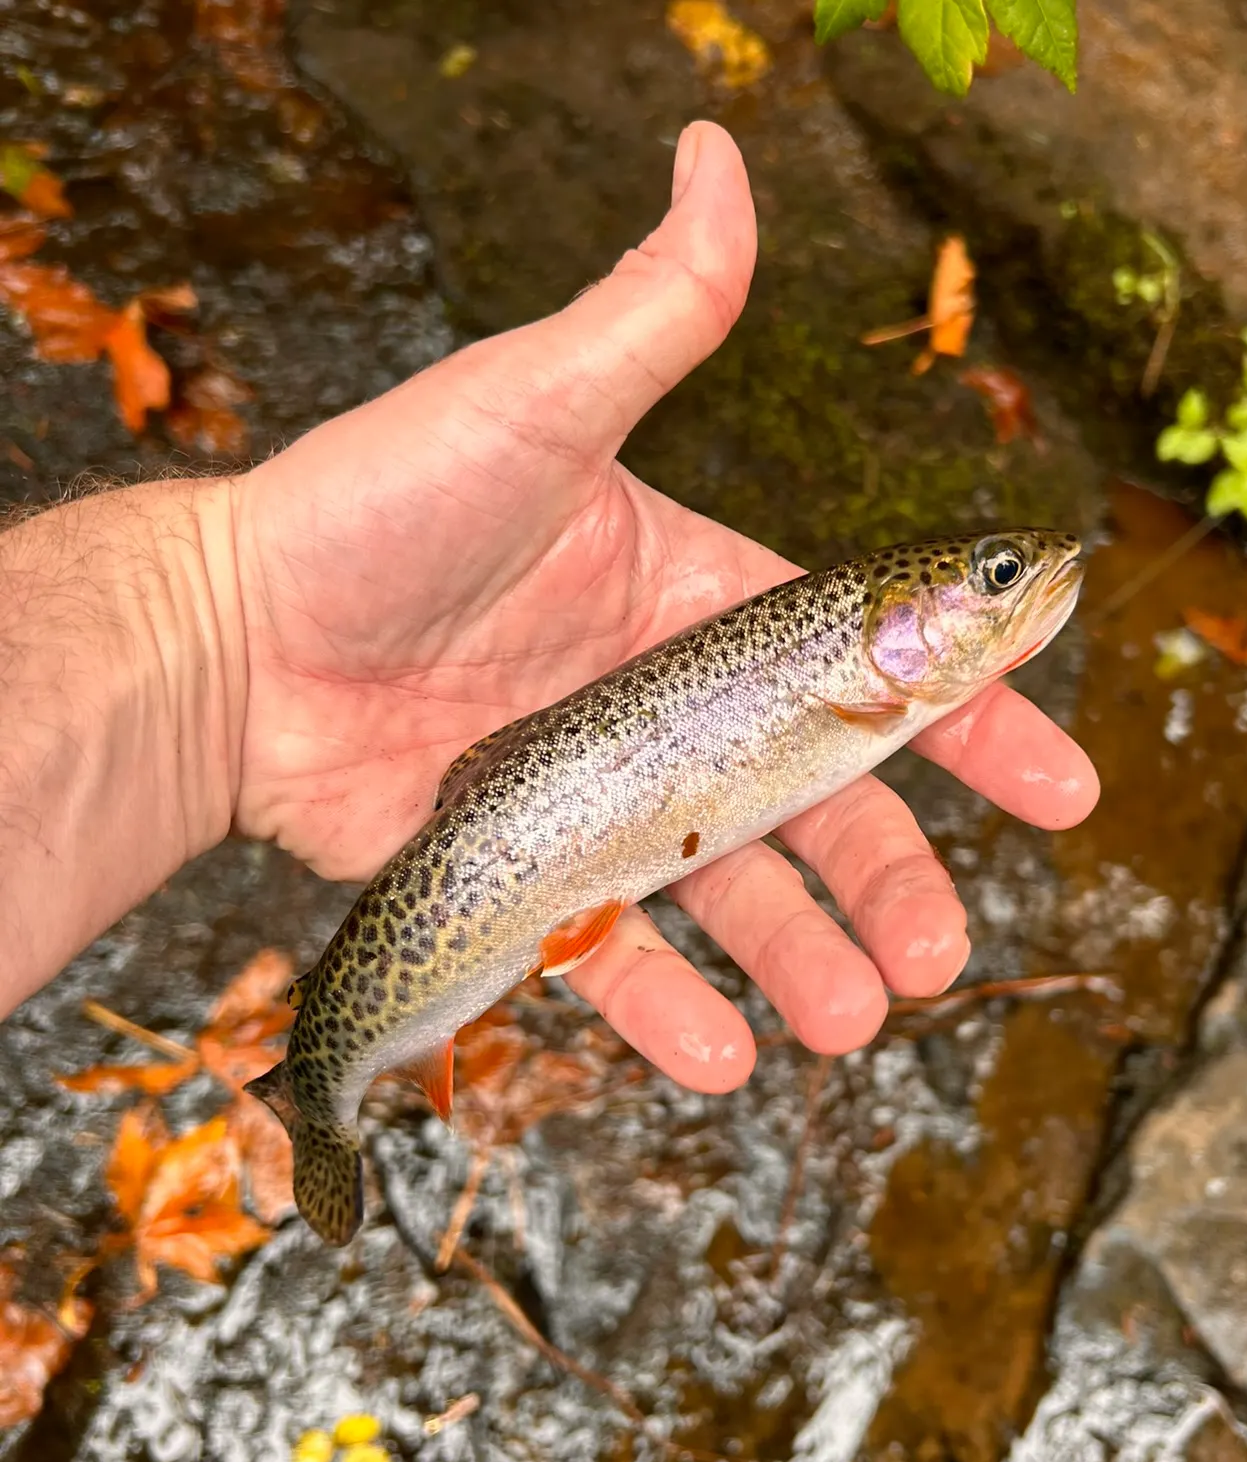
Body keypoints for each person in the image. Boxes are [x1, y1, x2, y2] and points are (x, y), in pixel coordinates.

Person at [0, 123, 1098, 1093]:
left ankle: (321, 1074)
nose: (1020, 576)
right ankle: (321, 1076)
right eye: (996, 575)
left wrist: (223, 623)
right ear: (891, 621)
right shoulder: (859, 677)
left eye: (998, 574)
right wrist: (224, 614)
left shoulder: (871, 679)